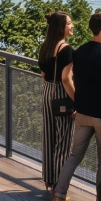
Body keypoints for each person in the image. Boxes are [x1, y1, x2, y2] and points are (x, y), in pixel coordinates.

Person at [52, 11, 101, 201]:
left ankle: (59, 195)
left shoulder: (80, 52)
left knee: (74, 155)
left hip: (83, 113)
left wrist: (79, 103)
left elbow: (76, 80)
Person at [38, 11, 77, 190]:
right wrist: (78, 101)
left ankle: (49, 179)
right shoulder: (67, 50)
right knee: (63, 143)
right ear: (61, 28)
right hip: (61, 95)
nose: (72, 26)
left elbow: (43, 75)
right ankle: (59, 189)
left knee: (49, 137)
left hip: (47, 91)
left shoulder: (45, 47)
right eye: (69, 23)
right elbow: (66, 79)